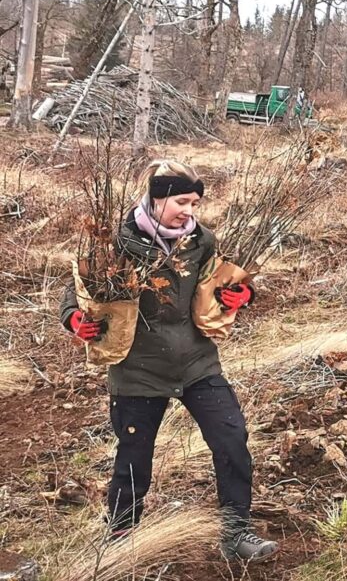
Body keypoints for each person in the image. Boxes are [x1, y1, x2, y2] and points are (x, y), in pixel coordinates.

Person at [60, 160, 278, 563]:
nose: (189, 211)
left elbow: (231, 281)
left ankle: (236, 533)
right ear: (156, 197)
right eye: (181, 201)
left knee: (231, 439)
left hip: (197, 363)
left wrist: (242, 297)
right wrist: (76, 320)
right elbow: (75, 294)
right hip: (137, 369)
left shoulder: (201, 241)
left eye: (195, 202)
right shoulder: (117, 242)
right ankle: (120, 537)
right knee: (134, 458)